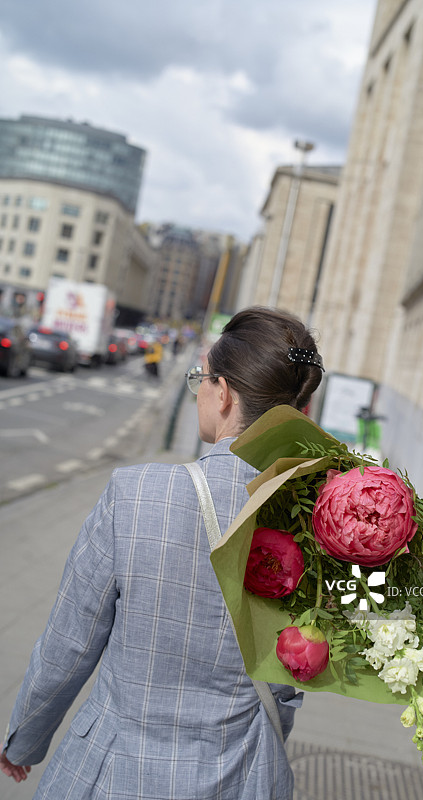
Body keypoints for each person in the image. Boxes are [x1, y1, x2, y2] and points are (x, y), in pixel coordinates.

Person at [0, 307, 324, 799]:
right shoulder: (319, 523)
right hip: (246, 773)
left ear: (225, 393)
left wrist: (25, 737)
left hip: (115, 770)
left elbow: (70, 643)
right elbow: (295, 673)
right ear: (300, 411)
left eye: (202, 379)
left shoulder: (136, 493)